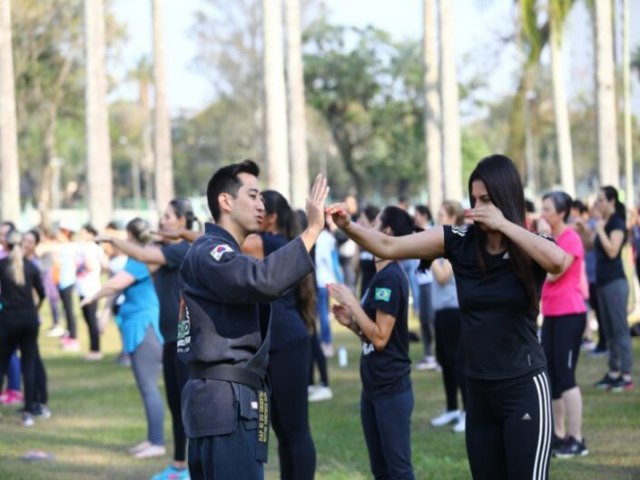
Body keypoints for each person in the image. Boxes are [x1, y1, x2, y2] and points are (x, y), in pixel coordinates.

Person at [327, 154, 566, 480]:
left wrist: (505, 225)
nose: (479, 207)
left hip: (523, 386)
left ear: (506, 199)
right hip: (479, 390)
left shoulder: (530, 246)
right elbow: (388, 245)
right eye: (475, 199)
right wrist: (348, 226)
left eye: (487, 200)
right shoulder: (460, 241)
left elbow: (559, 262)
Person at [177, 160, 328, 479]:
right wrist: (312, 229)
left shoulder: (214, 250)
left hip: (220, 398)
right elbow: (262, 280)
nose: (261, 204)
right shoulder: (212, 251)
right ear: (226, 201)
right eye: (253, 195)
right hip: (225, 401)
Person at [98, 199, 199, 480]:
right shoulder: (168, 248)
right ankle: (179, 464)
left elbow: (144, 256)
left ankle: (193, 466)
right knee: (175, 404)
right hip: (169, 336)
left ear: (182, 220)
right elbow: (147, 252)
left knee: (188, 406)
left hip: (185, 336)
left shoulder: (182, 250)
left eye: (168, 216)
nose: (162, 220)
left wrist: (113, 240)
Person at [328, 205, 415, 480]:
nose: (366, 229)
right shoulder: (380, 276)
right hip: (374, 388)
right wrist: (351, 323)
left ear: (387, 232)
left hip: (391, 388)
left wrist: (353, 302)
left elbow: (380, 338)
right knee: (381, 471)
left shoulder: (389, 277)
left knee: (398, 471)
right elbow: (373, 333)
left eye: (373, 223)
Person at [242, 190, 317, 480]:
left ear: (271, 217)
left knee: (296, 429)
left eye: (259, 206)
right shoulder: (278, 243)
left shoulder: (270, 243)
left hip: (288, 344)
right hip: (274, 344)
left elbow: (223, 241)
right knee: (283, 430)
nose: (254, 210)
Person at [81, 218, 166, 459]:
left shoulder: (143, 258)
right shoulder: (136, 259)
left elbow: (115, 284)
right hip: (136, 326)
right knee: (144, 386)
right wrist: (106, 311)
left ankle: (157, 443)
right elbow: (119, 286)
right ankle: (152, 439)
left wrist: (92, 298)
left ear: (129, 236)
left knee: (148, 386)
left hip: (145, 328)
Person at [539, 191, 588, 458]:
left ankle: (577, 439)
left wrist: (542, 245)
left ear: (561, 213)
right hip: (552, 314)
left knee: (566, 377)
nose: (543, 214)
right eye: (542, 208)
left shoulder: (570, 239)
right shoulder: (551, 239)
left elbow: (554, 273)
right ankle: (559, 434)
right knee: (551, 376)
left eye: (548, 209)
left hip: (570, 314)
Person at [589, 186, 634, 392]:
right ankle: (614, 372)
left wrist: (599, 230)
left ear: (612, 201)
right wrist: (586, 229)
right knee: (608, 329)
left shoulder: (616, 222)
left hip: (616, 283)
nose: (598, 203)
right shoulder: (604, 222)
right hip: (603, 283)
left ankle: (626, 375)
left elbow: (613, 251)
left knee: (620, 329)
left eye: (601, 200)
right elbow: (591, 245)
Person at [0, 229, 46, 426]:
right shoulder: (31, 267)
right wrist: (34, 308)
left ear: (6, 245)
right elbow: (42, 293)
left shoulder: (2, 265)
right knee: (29, 364)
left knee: (1, 364)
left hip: (9, 319)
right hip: (29, 320)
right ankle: (29, 410)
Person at [429, 201, 467, 434]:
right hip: (441, 310)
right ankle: (452, 408)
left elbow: (443, 276)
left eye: (442, 214)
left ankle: (467, 411)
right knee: (444, 359)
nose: (438, 218)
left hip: (454, 309)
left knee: (458, 361)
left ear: (454, 218)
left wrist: (429, 255)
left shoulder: (459, 241)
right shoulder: (442, 242)